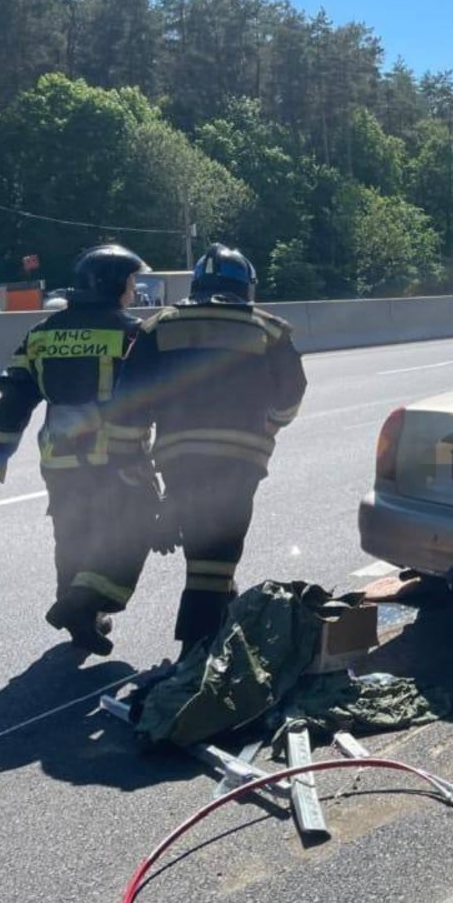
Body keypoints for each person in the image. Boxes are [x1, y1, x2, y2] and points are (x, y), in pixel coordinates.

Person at [105, 244, 307, 655]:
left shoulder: (157, 326)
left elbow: (128, 407)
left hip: (179, 460)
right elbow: (292, 393)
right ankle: (195, 654)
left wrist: (140, 476)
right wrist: (271, 424)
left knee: (206, 550)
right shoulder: (269, 329)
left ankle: (217, 630)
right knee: (215, 555)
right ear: (246, 287)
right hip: (242, 457)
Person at [0, 244, 156, 657]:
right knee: (135, 526)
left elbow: (16, 394)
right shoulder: (133, 333)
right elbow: (154, 391)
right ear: (116, 285)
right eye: (131, 281)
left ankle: (81, 620)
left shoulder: (42, 333)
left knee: (72, 536)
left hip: (59, 459)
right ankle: (82, 605)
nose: (133, 290)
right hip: (116, 458)